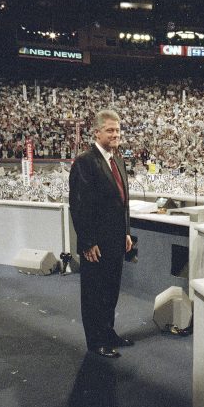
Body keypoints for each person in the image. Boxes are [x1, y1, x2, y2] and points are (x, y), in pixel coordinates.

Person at [69, 109, 134, 358]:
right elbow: (79, 205)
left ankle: (108, 333)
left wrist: (126, 232)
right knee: (94, 293)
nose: (115, 134)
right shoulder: (85, 162)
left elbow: (122, 202)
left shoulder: (117, 160)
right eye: (110, 130)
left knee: (111, 290)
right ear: (96, 132)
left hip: (116, 239)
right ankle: (96, 342)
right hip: (95, 244)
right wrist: (87, 242)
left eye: (117, 130)